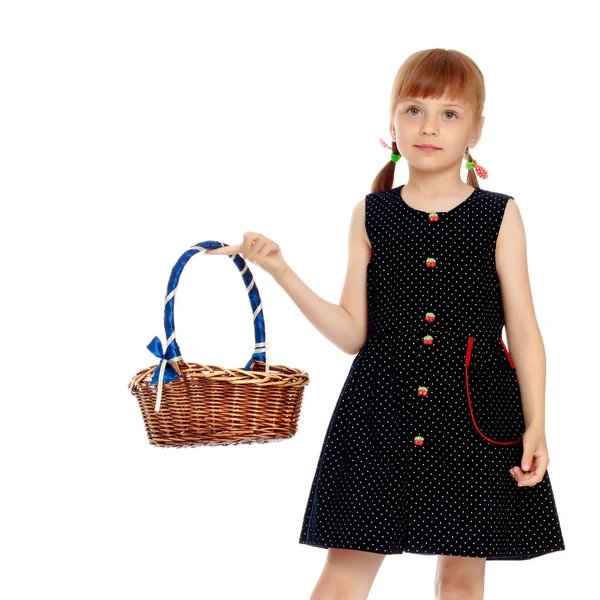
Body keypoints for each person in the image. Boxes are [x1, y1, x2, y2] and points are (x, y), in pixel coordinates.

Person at [205, 47, 566, 600]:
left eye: (450, 114)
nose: (428, 127)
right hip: (377, 414)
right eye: (413, 110)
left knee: (462, 580)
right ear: (391, 121)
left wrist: (536, 423)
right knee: (344, 574)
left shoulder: (500, 213)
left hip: (474, 414)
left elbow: (523, 329)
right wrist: (280, 269)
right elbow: (353, 333)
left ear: (477, 129)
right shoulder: (371, 213)